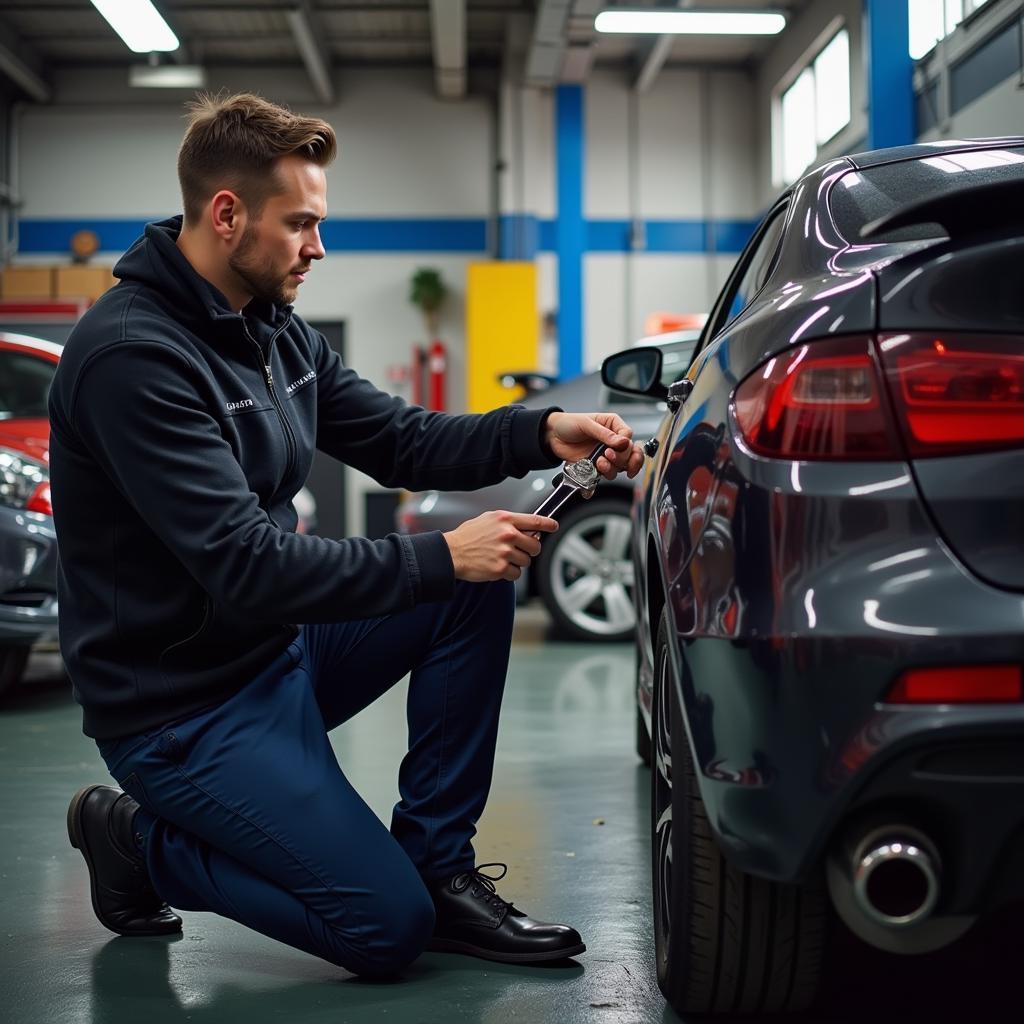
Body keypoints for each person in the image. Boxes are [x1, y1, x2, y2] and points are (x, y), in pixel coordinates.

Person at [50, 92, 643, 977]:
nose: (318, 248)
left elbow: (400, 437)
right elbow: (246, 566)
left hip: (277, 654)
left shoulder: (272, 332)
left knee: (470, 585)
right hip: (182, 710)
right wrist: (438, 552)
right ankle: (135, 839)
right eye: (302, 224)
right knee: (380, 928)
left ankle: (439, 866)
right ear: (226, 214)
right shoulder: (133, 358)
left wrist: (540, 429)